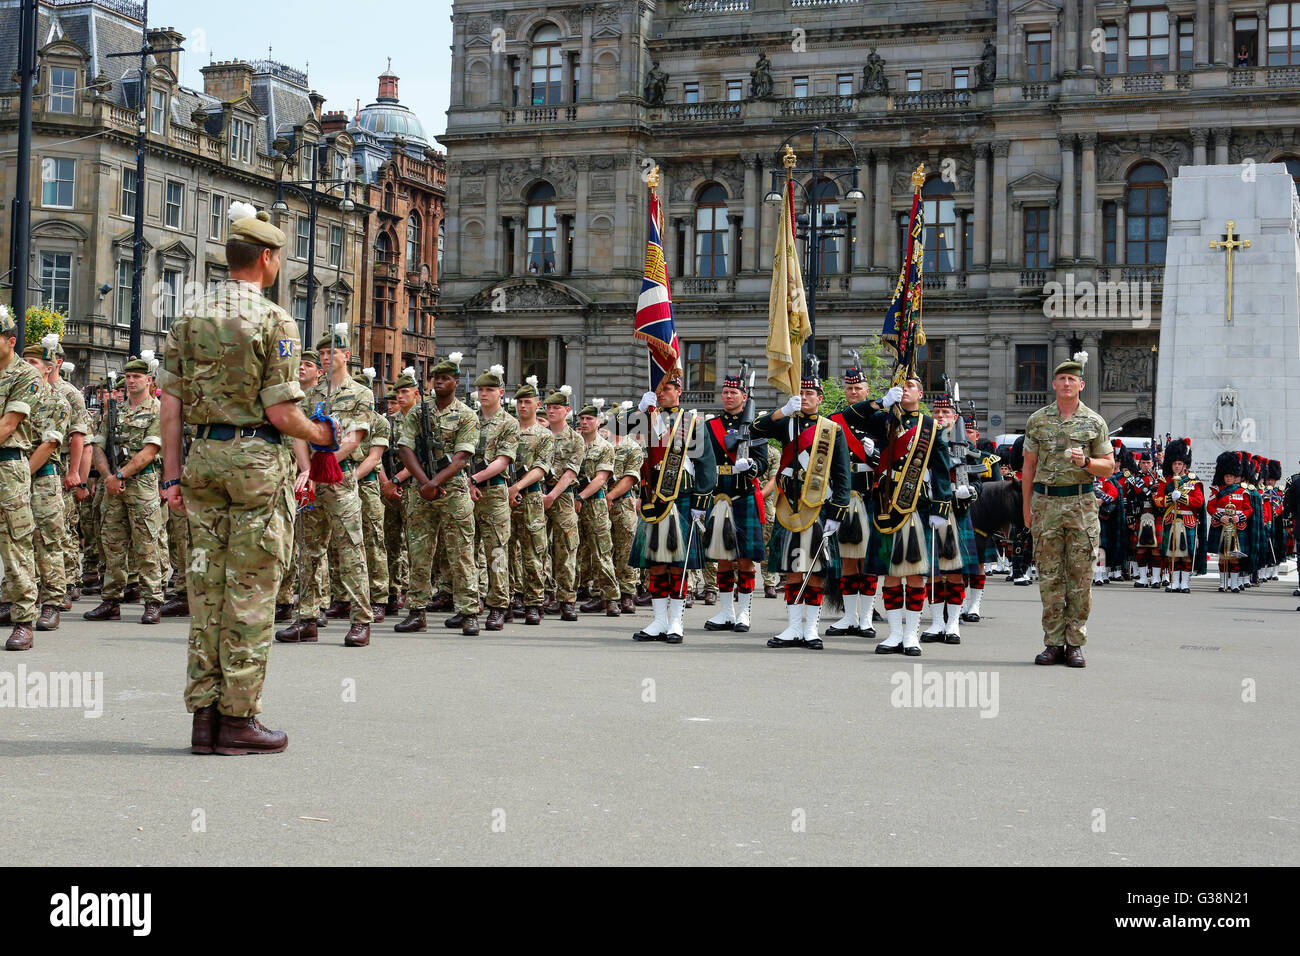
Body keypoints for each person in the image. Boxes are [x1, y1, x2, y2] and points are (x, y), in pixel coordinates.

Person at [159, 204, 337, 754]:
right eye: (279, 256)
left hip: (202, 460)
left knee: (204, 589)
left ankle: (203, 717)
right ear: (266, 258)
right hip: (256, 462)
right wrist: (324, 436)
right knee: (252, 591)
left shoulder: (188, 316)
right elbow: (283, 414)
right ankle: (238, 720)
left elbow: (170, 407)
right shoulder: (274, 319)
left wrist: (171, 479)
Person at [838, 375, 953, 655]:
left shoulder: (931, 427)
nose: (905, 390)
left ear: (921, 394)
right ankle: (894, 634)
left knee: (914, 574)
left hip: (918, 504)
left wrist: (941, 506)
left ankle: (911, 634)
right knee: (890, 573)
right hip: (886, 504)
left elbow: (941, 469)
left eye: (911, 386)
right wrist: (880, 402)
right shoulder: (883, 419)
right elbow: (847, 416)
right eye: (901, 386)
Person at [275, 326, 374, 647]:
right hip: (312, 479)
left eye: (332, 354)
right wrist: (305, 470)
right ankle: (306, 618)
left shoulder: (360, 394)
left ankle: (360, 621)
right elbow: (298, 434)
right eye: (322, 355)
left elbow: (352, 438)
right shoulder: (312, 396)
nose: (327, 359)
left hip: (340, 478)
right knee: (308, 549)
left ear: (347, 357)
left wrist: (319, 468)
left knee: (350, 549)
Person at [1021, 353, 1115, 668]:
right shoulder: (1038, 420)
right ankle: (1052, 643)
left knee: (1080, 578)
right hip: (1045, 505)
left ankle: (1075, 643)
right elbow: (1029, 467)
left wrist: (1086, 462)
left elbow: (1108, 467)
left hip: (1081, 504)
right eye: (1061, 378)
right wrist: (1026, 507)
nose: (1066, 383)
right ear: (1054, 384)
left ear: (1081, 385)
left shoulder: (1094, 422)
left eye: (1072, 379)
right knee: (1049, 577)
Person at [751, 358, 850, 650]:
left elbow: (842, 474)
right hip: (789, 504)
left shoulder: (832, 429)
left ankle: (811, 629)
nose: (805, 398)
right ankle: (793, 627)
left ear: (820, 399)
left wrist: (838, 511)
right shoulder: (786, 423)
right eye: (801, 393)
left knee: (815, 570)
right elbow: (755, 429)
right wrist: (782, 411)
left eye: (810, 394)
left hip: (818, 505)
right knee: (793, 568)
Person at [395, 355, 481, 635]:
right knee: (419, 551)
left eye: (445, 378)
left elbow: (461, 458)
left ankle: (468, 611)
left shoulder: (467, 415)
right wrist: (424, 483)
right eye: (436, 378)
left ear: (456, 382)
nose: (440, 382)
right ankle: (417, 610)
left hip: (453, 488)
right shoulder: (419, 412)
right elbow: (405, 448)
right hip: (422, 490)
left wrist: (435, 482)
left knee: (461, 552)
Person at [629, 374, 717, 643]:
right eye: (658, 389)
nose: (662, 393)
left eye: (666, 388)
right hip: (653, 496)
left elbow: (706, 465)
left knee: (678, 565)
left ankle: (676, 621)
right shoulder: (648, 418)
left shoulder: (691, 423)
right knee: (656, 564)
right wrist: (639, 410)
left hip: (681, 497)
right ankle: (658, 620)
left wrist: (701, 503)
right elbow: (618, 430)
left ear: (679, 391)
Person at [84, 356, 166, 625]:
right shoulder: (114, 411)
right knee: (112, 544)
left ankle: (153, 600)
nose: (131, 381)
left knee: (146, 544)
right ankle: (111, 600)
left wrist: (121, 474)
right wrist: (108, 476)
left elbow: (150, 450)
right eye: (128, 377)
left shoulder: (157, 410)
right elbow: (98, 446)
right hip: (113, 486)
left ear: (148, 380)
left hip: (142, 484)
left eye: (137, 377)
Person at [701, 369, 768, 633]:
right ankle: (726, 612)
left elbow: (762, 463)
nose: (728, 396)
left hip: (743, 495)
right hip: (719, 496)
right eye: (725, 392)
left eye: (733, 393)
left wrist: (750, 465)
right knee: (722, 557)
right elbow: (703, 461)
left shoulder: (754, 426)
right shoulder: (709, 426)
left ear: (744, 396)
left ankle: (744, 612)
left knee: (745, 559)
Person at [0, 307, 45, 651]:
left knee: (16, 545)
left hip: (8, 468)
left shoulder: (25, 375)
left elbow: (8, 425)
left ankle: (24, 620)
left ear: (11, 341)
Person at [21, 339, 71, 632]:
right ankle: (16, 599)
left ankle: (52, 604)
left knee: (48, 542)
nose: (27, 367)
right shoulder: (18, 396)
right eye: (24, 362)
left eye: (33, 363)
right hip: (16, 479)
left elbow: (49, 442)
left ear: (48, 368)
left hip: (42, 480)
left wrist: (21, 474)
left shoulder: (56, 401)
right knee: (17, 542)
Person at [468, 365, 519, 630]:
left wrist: (475, 479)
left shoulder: (509, 423)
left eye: (489, 389)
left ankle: (499, 605)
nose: (484, 394)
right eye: (480, 389)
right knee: (468, 550)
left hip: (494, 491)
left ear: (501, 392)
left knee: (496, 550)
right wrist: (468, 482)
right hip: (468, 490)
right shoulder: (470, 418)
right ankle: (473, 601)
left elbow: (503, 460)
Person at [506, 376, 555, 625]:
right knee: (504, 551)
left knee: (534, 551)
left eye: (527, 402)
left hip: (531, 497)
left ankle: (533, 602)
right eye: (519, 402)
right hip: (504, 497)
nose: (522, 406)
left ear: (537, 404)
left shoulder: (544, 435)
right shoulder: (508, 430)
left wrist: (517, 486)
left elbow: (541, 468)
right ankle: (508, 597)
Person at [574, 403, 622, 616]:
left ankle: (611, 598)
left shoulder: (604, 447)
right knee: (574, 552)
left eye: (589, 419)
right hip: (572, 505)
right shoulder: (573, 445)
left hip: (594, 504)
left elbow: (600, 479)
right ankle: (576, 594)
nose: (584, 423)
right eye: (582, 419)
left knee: (602, 551)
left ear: (598, 422)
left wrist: (581, 497)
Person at [541, 386, 583, 622]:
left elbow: (570, 472)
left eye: (556, 407)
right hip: (539, 494)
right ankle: (545, 593)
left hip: (562, 496)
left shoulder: (575, 439)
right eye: (548, 407)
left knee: (566, 548)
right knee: (538, 547)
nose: (551, 411)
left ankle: (567, 599)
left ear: (566, 410)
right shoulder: (540, 434)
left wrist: (552, 496)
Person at [1152, 437, 1203, 593]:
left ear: (1184, 465)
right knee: (1172, 553)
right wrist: (1169, 499)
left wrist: (1182, 497)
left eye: (1179, 464)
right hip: (1171, 519)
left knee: (1186, 553)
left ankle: (1185, 583)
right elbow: (1157, 500)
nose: (1176, 466)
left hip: (1187, 519)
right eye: (1174, 463)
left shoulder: (1192, 481)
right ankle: (1174, 581)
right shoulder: (1164, 481)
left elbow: (1199, 501)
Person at [1207, 451, 1252, 593]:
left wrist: (1241, 517)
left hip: (1237, 526)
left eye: (1231, 476)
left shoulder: (1243, 491)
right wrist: (1220, 516)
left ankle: (1234, 584)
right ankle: (1222, 583)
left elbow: (1248, 509)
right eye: (1226, 476)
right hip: (1221, 525)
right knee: (1222, 557)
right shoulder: (1216, 490)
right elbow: (1210, 506)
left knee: (1234, 557)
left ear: (1235, 477)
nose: (1228, 478)